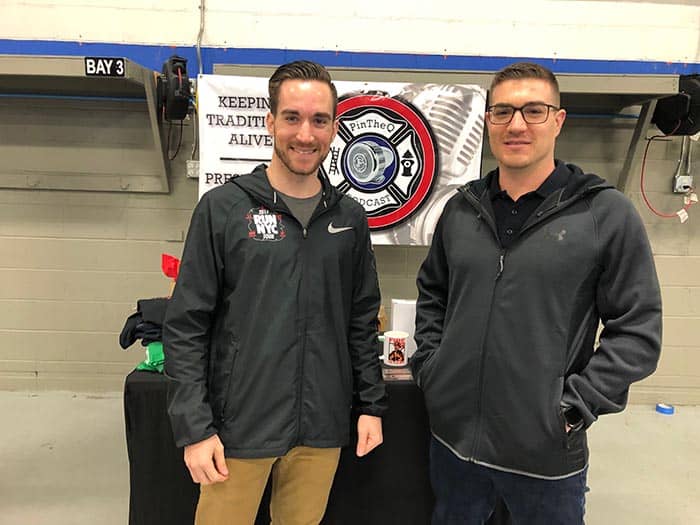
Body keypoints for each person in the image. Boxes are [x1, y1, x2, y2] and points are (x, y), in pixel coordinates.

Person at [412, 62, 662, 525]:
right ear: (488, 121)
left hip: (545, 456)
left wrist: (573, 407)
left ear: (558, 120)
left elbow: (638, 330)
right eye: (502, 112)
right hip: (454, 445)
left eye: (533, 110)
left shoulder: (604, 214)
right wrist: (433, 370)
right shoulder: (461, 211)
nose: (517, 125)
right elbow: (433, 294)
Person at [164, 60, 387, 525]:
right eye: (292, 117)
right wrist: (194, 428)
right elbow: (186, 325)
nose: (305, 134)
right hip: (238, 428)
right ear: (270, 121)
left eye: (319, 120)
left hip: (322, 426)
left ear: (334, 127)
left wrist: (369, 405)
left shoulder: (349, 218)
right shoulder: (223, 210)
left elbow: (361, 320)